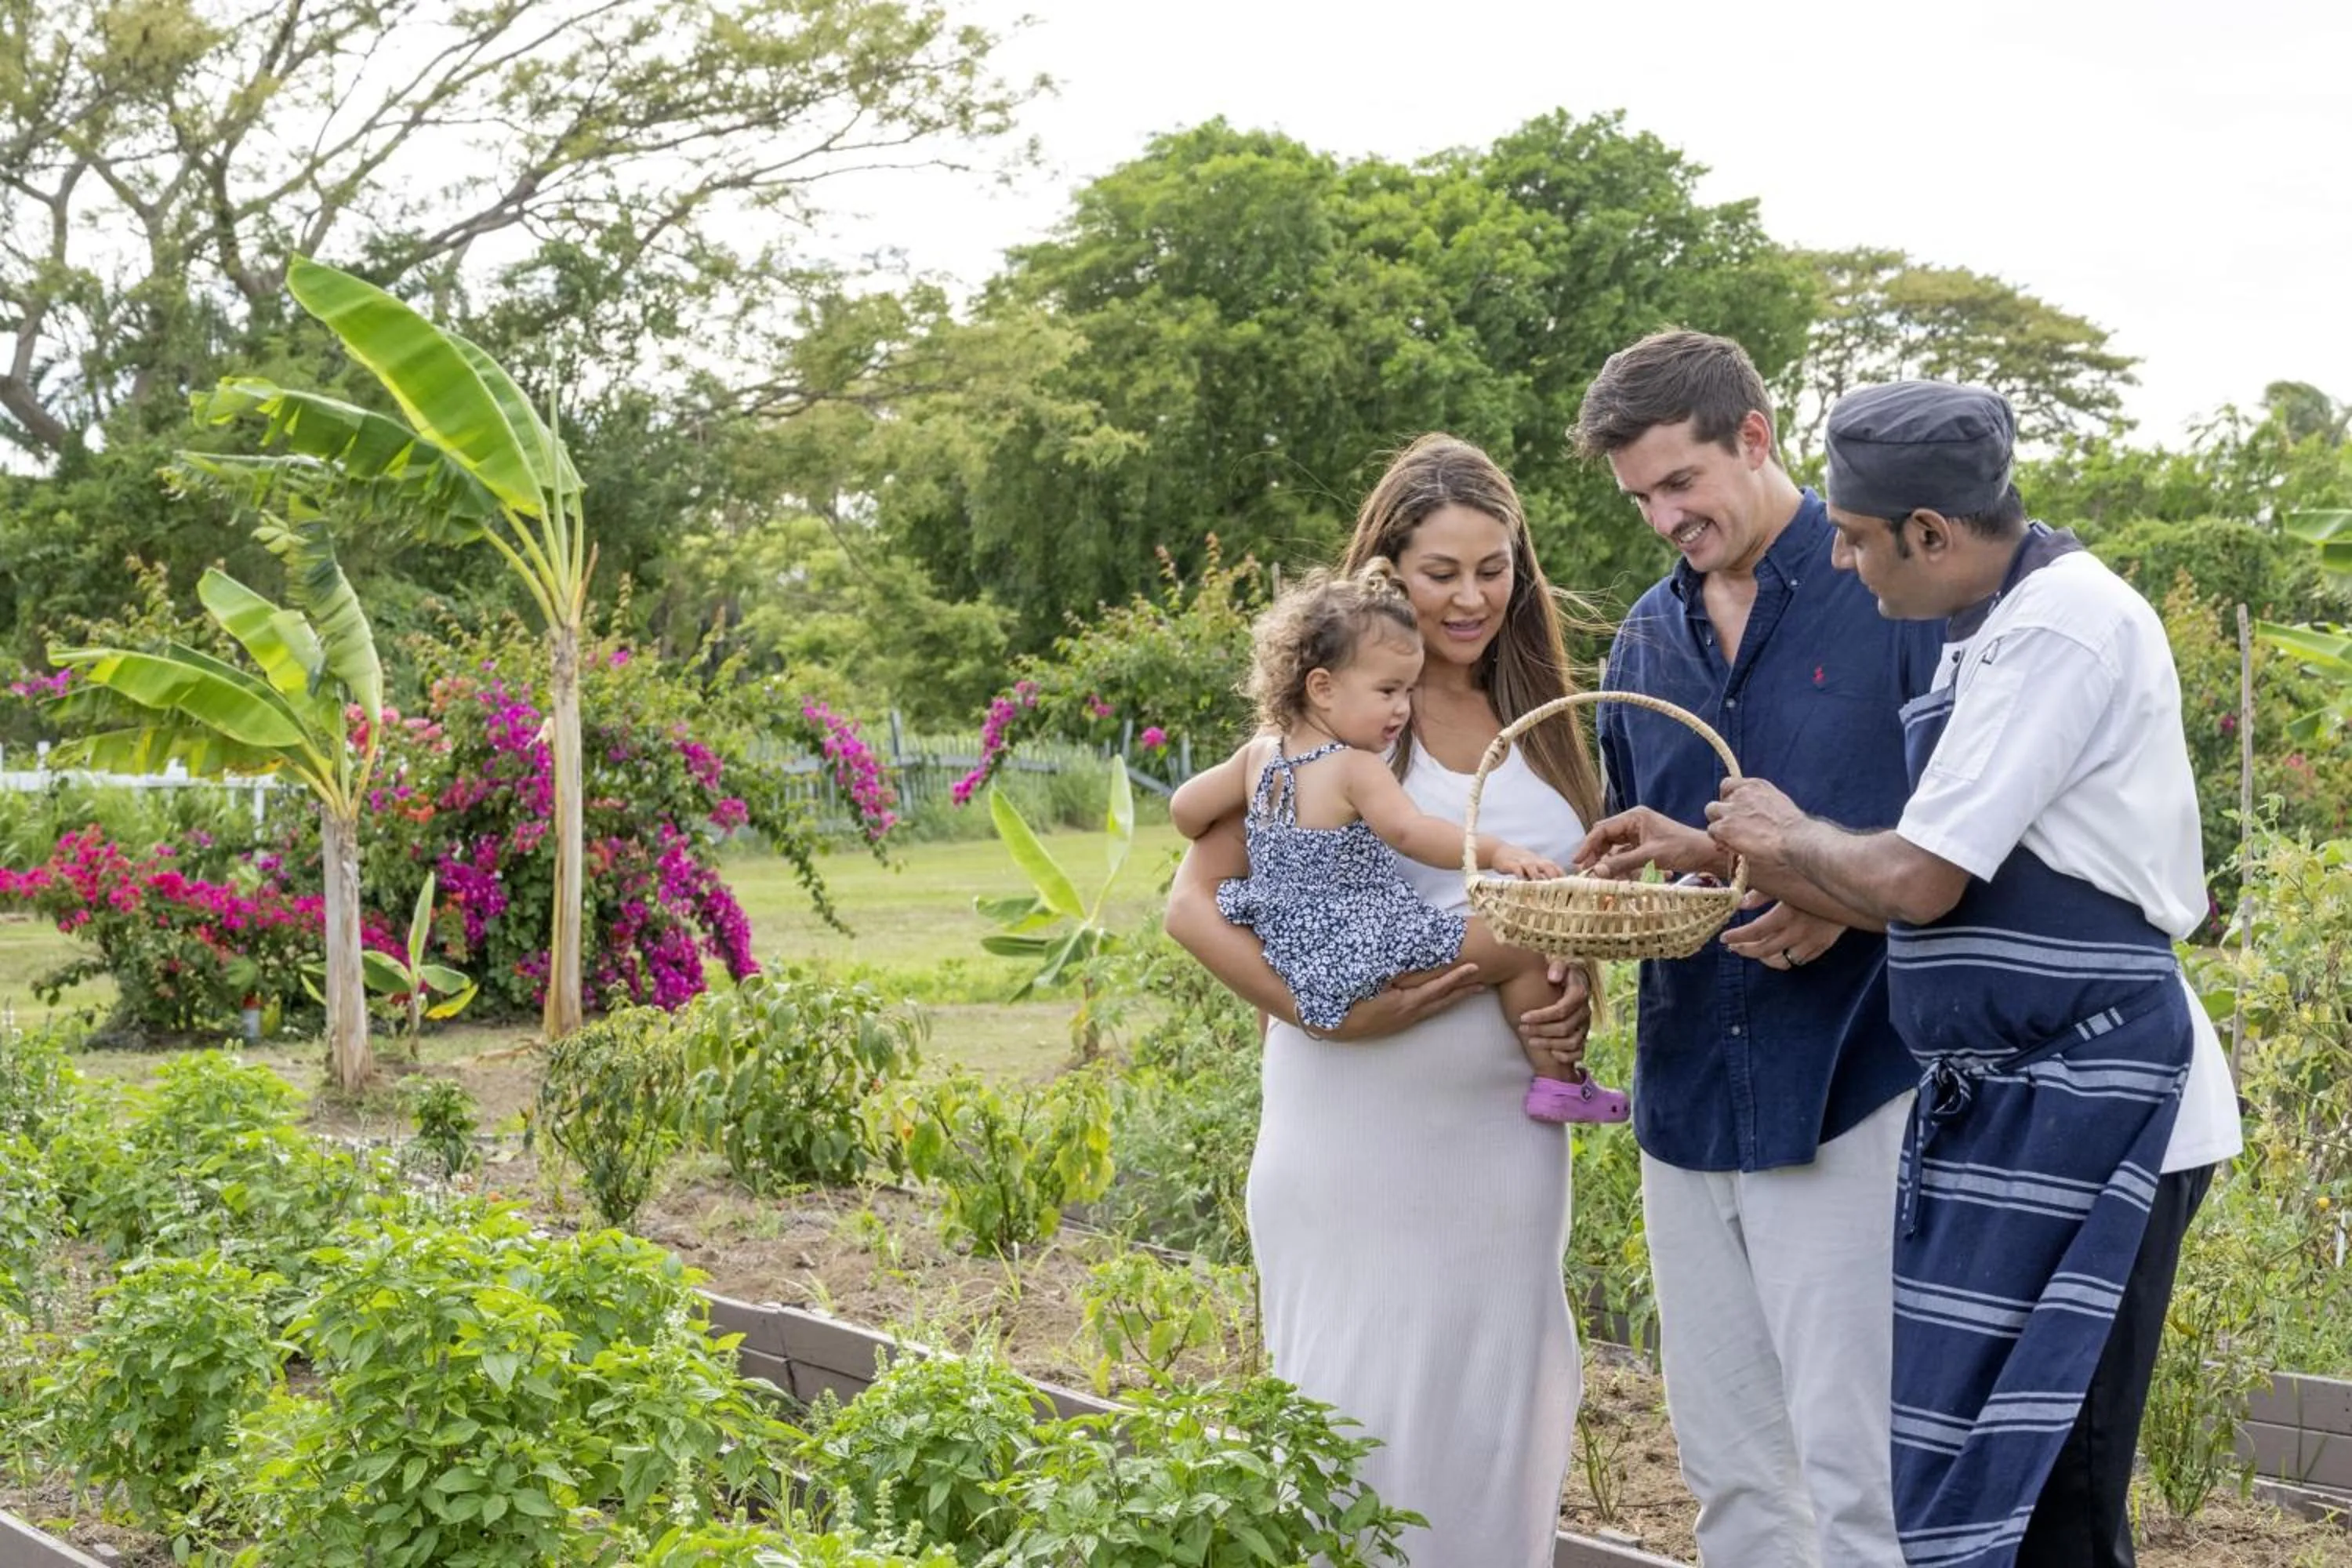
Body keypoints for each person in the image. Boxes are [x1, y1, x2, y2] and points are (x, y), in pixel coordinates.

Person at [1705, 380, 2242, 1568]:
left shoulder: (2061, 627)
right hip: (2015, 1108)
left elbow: (1918, 880)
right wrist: (1760, 855)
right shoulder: (1989, 630)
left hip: (2102, 1108)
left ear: (1931, 533)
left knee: (2057, 1494)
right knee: (1987, 1481)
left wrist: (1784, 838)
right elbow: (1905, 876)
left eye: (1854, 538)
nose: (1844, 563)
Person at [1163, 433, 1602, 1566]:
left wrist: (1574, 995)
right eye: (1440, 571)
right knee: (1355, 1432)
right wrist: (1319, 1010)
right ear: (1386, 575)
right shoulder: (1338, 723)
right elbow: (1193, 905)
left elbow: (1571, 904)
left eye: (1493, 569)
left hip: (1502, 1146)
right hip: (1354, 1134)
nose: (1470, 597)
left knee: (1497, 1417)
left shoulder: (1549, 727)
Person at [1568, 330, 1943, 1568]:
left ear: (1755, 437)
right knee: (1729, 1474)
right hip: (1690, 1096)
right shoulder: (1645, 643)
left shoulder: (1892, 599)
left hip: (1853, 1077)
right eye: (1639, 501)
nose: (1665, 517)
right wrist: (1645, 874)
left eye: (1681, 484)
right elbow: (1691, 858)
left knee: (1861, 1469)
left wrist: (1832, 881)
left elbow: (1972, 838)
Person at [1171, 559, 1629, 1124]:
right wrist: (1494, 853)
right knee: (1521, 943)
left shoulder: (1259, 757)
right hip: (1362, 947)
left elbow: (1184, 810)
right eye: (1388, 691)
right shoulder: (1354, 767)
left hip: (1293, 954)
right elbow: (1412, 833)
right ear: (1322, 687)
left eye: (1408, 690)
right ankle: (1561, 1084)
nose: (1402, 709)